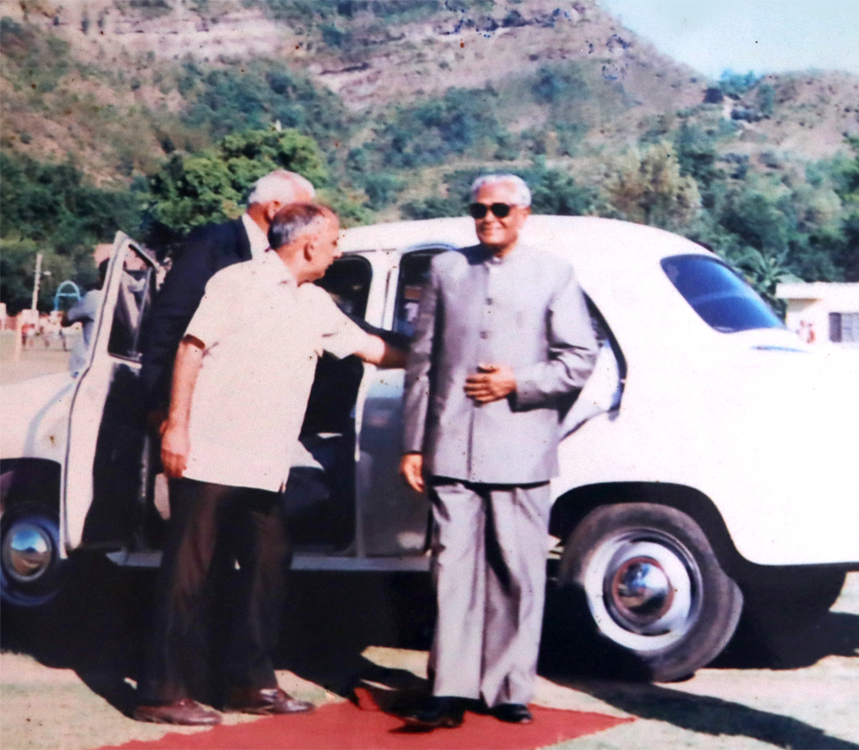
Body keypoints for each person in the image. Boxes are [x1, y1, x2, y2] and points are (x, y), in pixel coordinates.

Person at [135, 204, 407, 726]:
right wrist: (177, 425)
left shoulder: (315, 303)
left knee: (268, 569)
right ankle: (160, 690)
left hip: (265, 464)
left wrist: (440, 353)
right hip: (211, 453)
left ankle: (249, 683)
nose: (337, 250)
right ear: (307, 245)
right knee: (188, 575)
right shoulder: (236, 281)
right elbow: (190, 350)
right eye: (333, 241)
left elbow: (372, 349)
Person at [399, 174, 598, 730]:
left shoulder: (553, 274)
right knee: (451, 571)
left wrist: (519, 381)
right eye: (479, 209)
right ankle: (448, 690)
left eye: (501, 209)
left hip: (521, 449)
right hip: (451, 449)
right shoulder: (446, 270)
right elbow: (422, 363)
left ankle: (509, 688)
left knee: (518, 569)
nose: (489, 218)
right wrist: (414, 444)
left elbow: (579, 358)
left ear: (524, 213)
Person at [140, 169, 316, 414]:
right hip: (195, 405)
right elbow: (169, 324)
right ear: (274, 209)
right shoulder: (212, 243)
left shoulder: (279, 260)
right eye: (304, 214)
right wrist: (161, 408)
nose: (310, 224)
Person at [64, 260, 108, 374]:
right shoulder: (130, 300)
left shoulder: (94, 297)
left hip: (86, 365)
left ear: (100, 277)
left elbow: (66, 320)